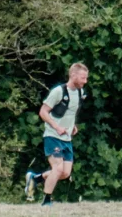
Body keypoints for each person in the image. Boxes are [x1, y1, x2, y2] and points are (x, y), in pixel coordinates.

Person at [26, 62, 88, 205]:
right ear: (73, 75)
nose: (85, 81)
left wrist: (73, 127)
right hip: (52, 136)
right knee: (57, 168)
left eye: (86, 78)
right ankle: (46, 201)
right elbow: (43, 112)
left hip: (66, 138)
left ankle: (35, 179)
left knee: (65, 173)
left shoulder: (81, 93)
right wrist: (56, 127)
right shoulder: (58, 92)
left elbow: (70, 112)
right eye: (83, 78)